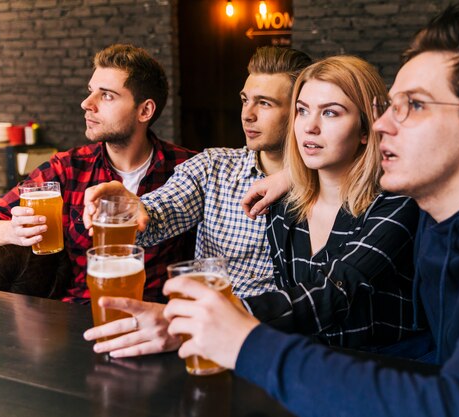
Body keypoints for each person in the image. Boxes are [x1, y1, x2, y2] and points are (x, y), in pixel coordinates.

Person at [162, 2, 459, 416]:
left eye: (415, 106)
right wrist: (296, 175)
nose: (383, 123)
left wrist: (244, 340)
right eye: (390, 105)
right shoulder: (452, 213)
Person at [81, 47, 312, 357]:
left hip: (280, 345)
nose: (248, 114)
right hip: (202, 345)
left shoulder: (330, 180)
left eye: (265, 103)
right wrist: (134, 209)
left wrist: (297, 176)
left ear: (302, 111)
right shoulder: (213, 167)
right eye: (245, 100)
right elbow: (161, 210)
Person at [0, 44, 196, 303]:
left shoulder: (188, 168)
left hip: (158, 320)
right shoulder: (67, 168)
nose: (87, 104)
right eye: (91, 92)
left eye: (107, 95)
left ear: (145, 110)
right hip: (81, 316)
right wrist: (12, 231)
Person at [239, 55, 428, 353]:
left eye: (330, 113)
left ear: (366, 129)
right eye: (302, 111)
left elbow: (337, 290)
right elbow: (294, 305)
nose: (310, 127)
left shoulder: (396, 202)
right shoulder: (283, 205)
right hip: (313, 366)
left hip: (389, 371)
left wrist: (229, 314)